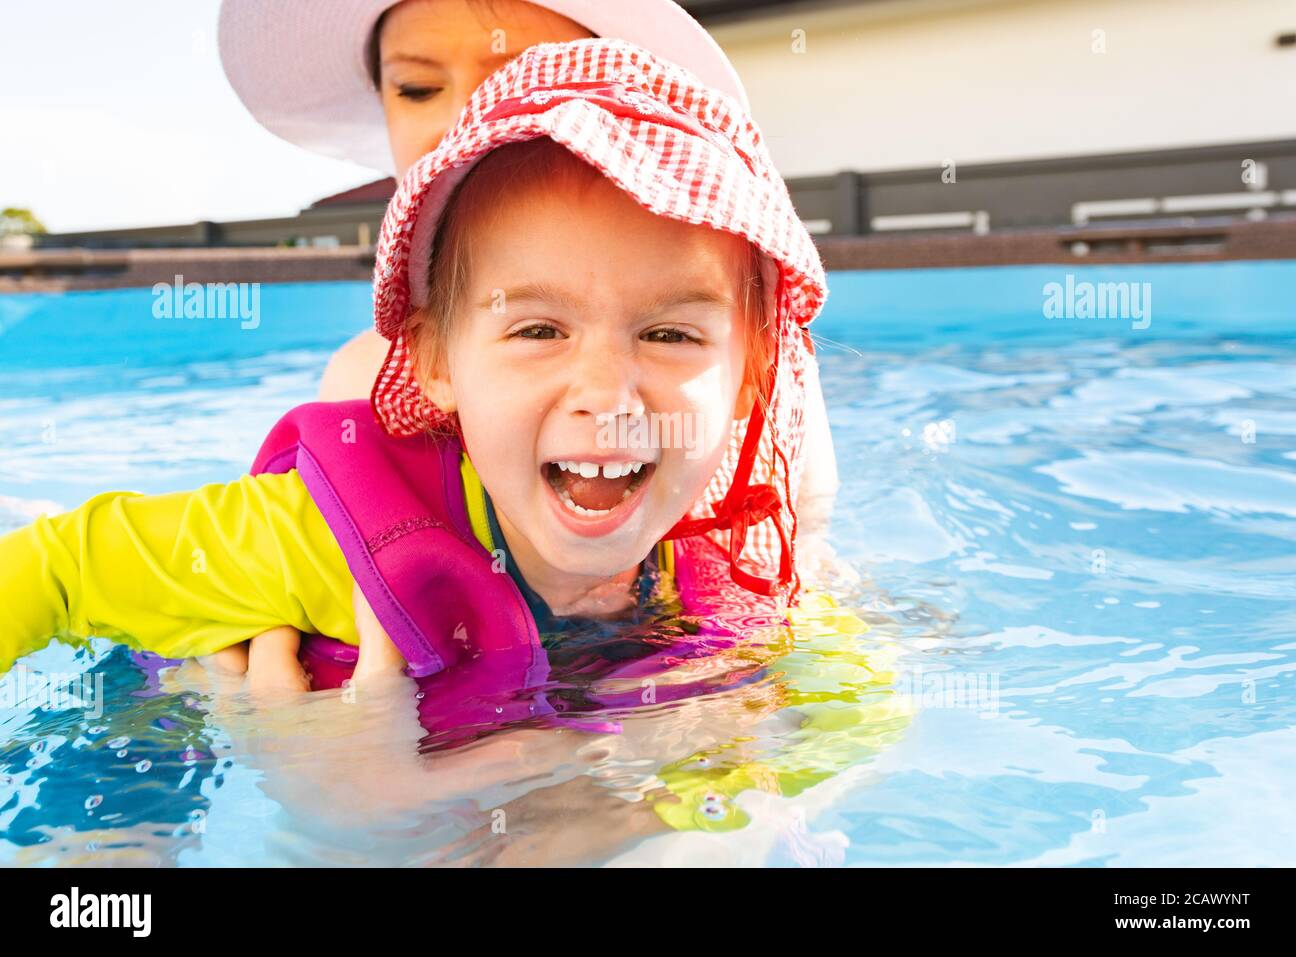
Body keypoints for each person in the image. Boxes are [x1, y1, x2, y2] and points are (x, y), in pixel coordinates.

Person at [215, 0, 842, 690]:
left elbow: (806, 568)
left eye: (524, 73)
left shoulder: (765, 385)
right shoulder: (361, 382)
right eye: (418, 88)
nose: (470, 113)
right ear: (427, 359)